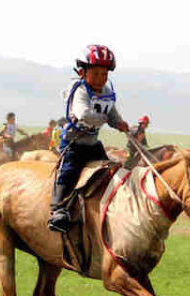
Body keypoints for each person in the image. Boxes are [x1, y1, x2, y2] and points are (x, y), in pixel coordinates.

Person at [49, 45, 129, 234]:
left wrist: (119, 124)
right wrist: (103, 119)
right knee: (68, 172)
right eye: (97, 73)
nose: (102, 78)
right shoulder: (80, 90)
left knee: (110, 171)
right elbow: (82, 113)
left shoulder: (106, 90)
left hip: (93, 144)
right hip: (73, 144)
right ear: (82, 72)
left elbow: (112, 113)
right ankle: (58, 210)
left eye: (105, 74)